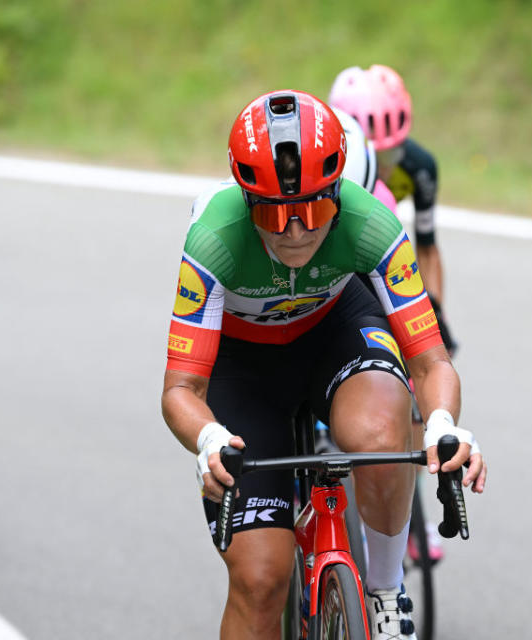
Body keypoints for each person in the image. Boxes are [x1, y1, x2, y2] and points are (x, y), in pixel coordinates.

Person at [161, 90, 485, 640]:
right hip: (243, 366)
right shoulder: (213, 237)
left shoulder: (372, 224)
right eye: (272, 212)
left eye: (313, 210)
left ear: (339, 192)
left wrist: (441, 425)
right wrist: (209, 437)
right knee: (261, 581)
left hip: (333, 333)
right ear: (245, 202)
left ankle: (385, 597)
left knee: (382, 432)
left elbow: (429, 363)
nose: (295, 232)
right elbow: (180, 389)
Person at [328, 64, 455, 354]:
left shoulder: (420, 167)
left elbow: (427, 248)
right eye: (372, 154)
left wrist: (435, 314)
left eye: (392, 153)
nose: (383, 167)